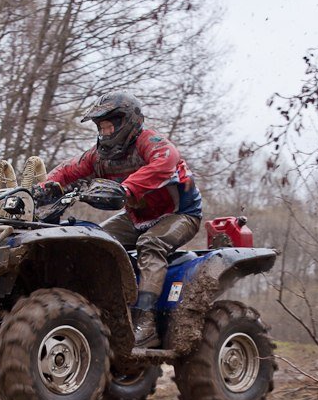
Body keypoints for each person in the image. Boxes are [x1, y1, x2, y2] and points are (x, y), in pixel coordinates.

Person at [34, 93, 202, 347]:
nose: (105, 131)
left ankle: (146, 322)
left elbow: (164, 163)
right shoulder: (99, 156)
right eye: (101, 126)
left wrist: (124, 189)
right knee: (93, 242)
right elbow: (69, 170)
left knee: (151, 244)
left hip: (180, 214)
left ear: (129, 121)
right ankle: (103, 308)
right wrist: (43, 189)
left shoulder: (152, 143)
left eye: (110, 124)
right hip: (136, 216)